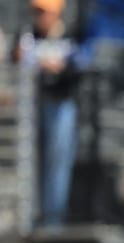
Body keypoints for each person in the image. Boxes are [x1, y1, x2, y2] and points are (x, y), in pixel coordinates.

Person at [12, 0, 87, 227]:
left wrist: (57, 67)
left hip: (60, 105)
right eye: (36, 11)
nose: (39, 16)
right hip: (31, 106)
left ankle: (53, 219)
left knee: (57, 160)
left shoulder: (70, 36)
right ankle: (30, 217)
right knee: (30, 160)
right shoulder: (27, 36)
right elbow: (15, 62)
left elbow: (77, 69)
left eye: (44, 12)